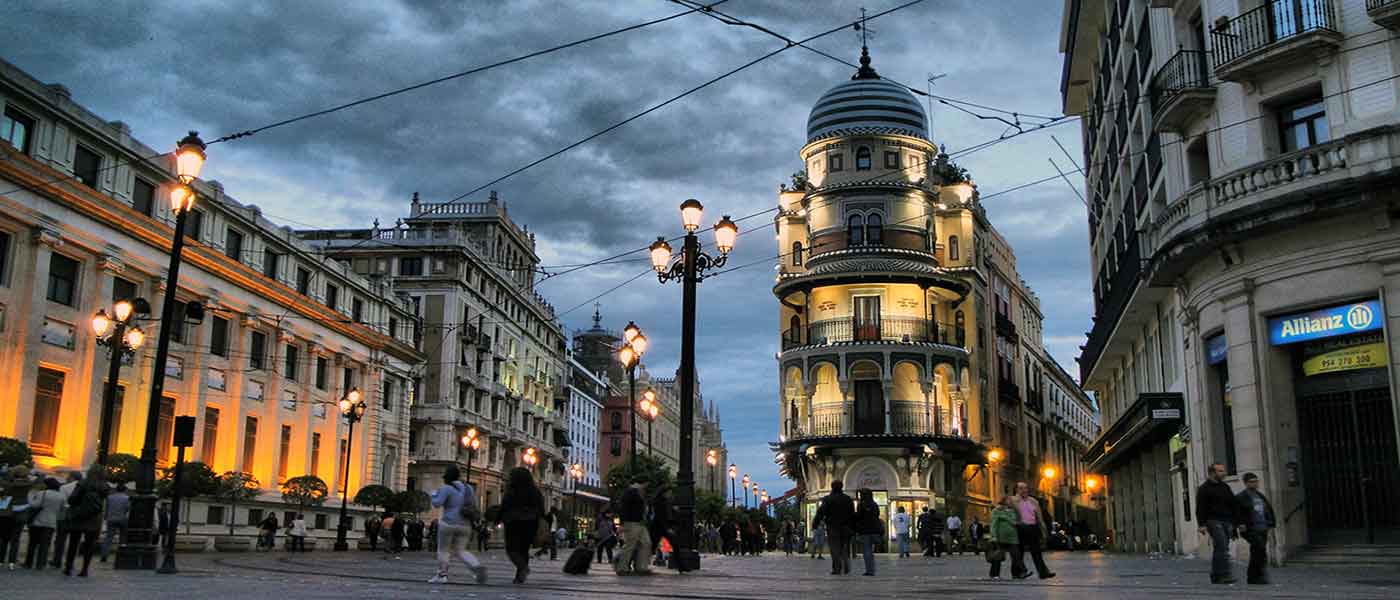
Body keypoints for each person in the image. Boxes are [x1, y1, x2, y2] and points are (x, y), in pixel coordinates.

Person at [427, 465, 487, 585]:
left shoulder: (446, 488)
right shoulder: (468, 488)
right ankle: (476, 566)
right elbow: (473, 504)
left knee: (443, 550)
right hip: (465, 524)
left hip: (448, 523)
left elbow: (437, 504)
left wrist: (433, 494)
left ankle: (442, 575)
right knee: (461, 550)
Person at [497, 467, 545, 584]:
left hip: (514, 522)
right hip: (531, 523)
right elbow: (541, 508)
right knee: (524, 549)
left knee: (511, 549)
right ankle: (520, 575)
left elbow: (505, 506)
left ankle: (523, 568)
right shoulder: (535, 491)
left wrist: (497, 519)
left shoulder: (512, 490)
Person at [1195, 462, 1237, 584]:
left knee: (1221, 548)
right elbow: (1200, 508)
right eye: (1220, 471)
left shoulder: (1225, 487)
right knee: (1222, 547)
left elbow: (1232, 504)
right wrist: (1201, 524)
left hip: (1226, 521)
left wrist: (1235, 522)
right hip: (1213, 520)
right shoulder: (1204, 488)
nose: (1223, 473)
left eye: (1223, 470)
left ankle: (1216, 574)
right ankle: (1224, 574)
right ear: (1212, 473)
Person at [62, 464, 106, 577]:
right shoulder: (104, 486)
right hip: (94, 519)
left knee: (73, 543)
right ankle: (85, 569)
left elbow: (72, 499)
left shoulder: (82, 483)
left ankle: (68, 567)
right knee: (89, 545)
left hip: (78, 516)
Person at [1235, 472, 1275, 585]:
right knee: (1260, 550)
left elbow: (1267, 510)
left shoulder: (1260, 496)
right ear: (1246, 483)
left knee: (1257, 552)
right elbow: (1236, 513)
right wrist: (1240, 524)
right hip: (1251, 529)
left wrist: (1270, 523)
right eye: (1252, 482)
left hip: (1263, 527)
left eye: (1256, 481)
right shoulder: (1241, 497)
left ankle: (1253, 577)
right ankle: (1259, 576)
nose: (1255, 484)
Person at [1010, 482, 1054, 580]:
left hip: (1032, 528)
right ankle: (1017, 573)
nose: (1024, 490)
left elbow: (1039, 518)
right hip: (1019, 528)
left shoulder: (1033, 501)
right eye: (1021, 488)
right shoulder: (1012, 500)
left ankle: (1043, 572)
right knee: (1018, 552)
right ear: (1016, 490)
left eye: (1026, 488)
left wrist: (1043, 530)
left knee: (1036, 551)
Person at [812, 480, 854, 575]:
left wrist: (815, 523)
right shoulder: (847, 499)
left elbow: (821, 512)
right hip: (846, 526)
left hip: (832, 526)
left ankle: (837, 568)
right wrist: (853, 526)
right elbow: (852, 514)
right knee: (844, 547)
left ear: (832, 487)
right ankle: (846, 567)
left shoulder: (828, 499)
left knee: (835, 547)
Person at [24, 477, 64, 570]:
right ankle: (40, 564)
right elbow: (61, 511)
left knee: (32, 544)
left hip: (38, 521)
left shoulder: (42, 493)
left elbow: (34, 505)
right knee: (45, 545)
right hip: (51, 523)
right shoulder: (61, 496)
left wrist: (30, 495)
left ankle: (28, 563)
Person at [614, 481, 652, 575]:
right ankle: (622, 568)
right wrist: (622, 523)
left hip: (641, 523)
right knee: (630, 545)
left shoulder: (641, 493)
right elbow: (623, 508)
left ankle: (641, 567)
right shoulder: (630, 492)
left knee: (646, 543)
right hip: (631, 522)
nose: (647, 486)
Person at [0, 465, 32, 569]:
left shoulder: (8, 484)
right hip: (22, 512)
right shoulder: (28, 484)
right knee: (16, 540)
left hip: (8, 512)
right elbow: (38, 478)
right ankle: (12, 562)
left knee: (4, 538)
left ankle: (1, 560)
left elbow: (3, 491)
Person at [48, 471, 81, 568]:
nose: (66, 478)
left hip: (64, 516)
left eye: (68, 476)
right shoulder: (83, 487)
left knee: (60, 540)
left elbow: (62, 502)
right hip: (77, 516)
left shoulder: (64, 487)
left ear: (72, 477)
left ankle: (57, 560)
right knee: (74, 541)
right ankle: (70, 562)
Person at [986, 495, 1024, 580]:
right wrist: (993, 536)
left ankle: (1017, 574)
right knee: (998, 556)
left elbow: (1018, 521)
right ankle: (994, 574)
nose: (1012, 502)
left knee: (1016, 555)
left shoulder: (1014, 511)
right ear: (1004, 501)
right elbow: (994, 524)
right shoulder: (997, 511)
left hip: (1013, 537)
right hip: (1001, 537)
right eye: (1010, 500)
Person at [853, 489, 882, 576]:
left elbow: (859, 517)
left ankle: (869, 570)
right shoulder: (874, 504)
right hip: (874, 530)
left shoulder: (861, 505)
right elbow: (877, 515)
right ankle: (872, 569)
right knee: (870, 551)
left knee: (867, 550)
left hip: (865, 530)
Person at [99, 483, 130, 562]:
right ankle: (121, 555)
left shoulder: (109, 497)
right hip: (122, 519)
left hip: (111, 519)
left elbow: (106, 508)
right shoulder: (127, 498)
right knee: (123, 538)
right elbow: (127, 509)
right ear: (125, 490)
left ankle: (104, 555)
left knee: (108, 538)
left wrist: (106, 517)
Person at [649, 486, 673, 566]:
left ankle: (681, 566)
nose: (670, 494)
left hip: (660, 528)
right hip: (658, 528)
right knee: (652, 548)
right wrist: (668, 527)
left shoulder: (665, 501)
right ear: (664, 493)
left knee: (674, 545)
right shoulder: (659, 502)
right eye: (669, 492)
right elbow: (660, 516)